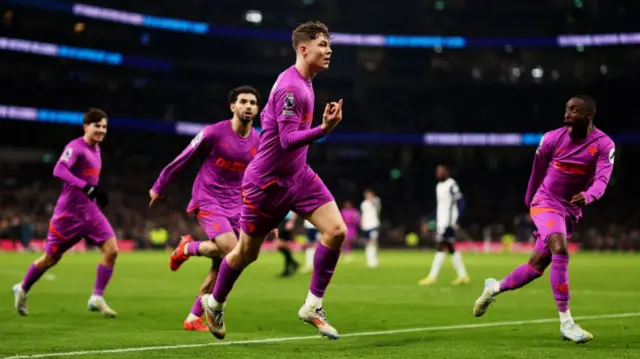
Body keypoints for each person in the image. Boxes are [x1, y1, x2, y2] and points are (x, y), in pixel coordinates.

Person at [200, 20, 346, 340]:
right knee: (245, 255)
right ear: (304, 49)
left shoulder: (307, 81)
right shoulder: (291, 88)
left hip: (298, 176)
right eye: (323, 44)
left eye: (329, 44)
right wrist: (323, 130)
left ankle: (312, 305)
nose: (329, 49)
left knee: (336, 231)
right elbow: (287, 139)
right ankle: (214, 302)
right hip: (266, 185)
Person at [473, 95, 614, 344]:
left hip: (569, 210)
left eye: (574, 110)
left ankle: (492, 288)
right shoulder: (551, 138)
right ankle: (567, 323)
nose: (567, 114)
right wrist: (530, 201)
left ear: (589, 115)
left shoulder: (604, 145)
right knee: (560, 249)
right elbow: (537, 170)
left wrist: (589, 196)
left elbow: (602, 180)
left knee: (535, 267)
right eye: (566, 109)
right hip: (545, 202)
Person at [149, 86, 261, 331]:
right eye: (243, 101)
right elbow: (184, 157)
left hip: (237, 205)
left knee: (226, 262)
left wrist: (266, 217)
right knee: (233, 251)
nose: (248, 106)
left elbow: (260, 180)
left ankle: (194, 316)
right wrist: (160, 185)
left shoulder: (259, 141)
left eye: (253, 102)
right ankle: (188, 248)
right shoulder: (213, 133)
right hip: (208, 198)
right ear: (232, 106)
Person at [13, 108, 118, 318]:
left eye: (104, 127)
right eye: (97, 126)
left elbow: (90, 181)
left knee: (112, 250)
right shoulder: (75, 147)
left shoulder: (97, 150)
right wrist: (86, 187)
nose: (101, 130)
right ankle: (23, 288)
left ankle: (97, 297)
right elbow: (59, 170)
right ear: (86, 126)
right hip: (68, 216)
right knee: (51, 259)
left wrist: (95, 194)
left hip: (90, 212)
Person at [419, 164, 469, 286]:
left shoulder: (451, 184)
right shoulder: (439, 186)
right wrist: (429, 218)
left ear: (447, 172)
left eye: (441, 171)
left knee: (441, 247)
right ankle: (463, 275)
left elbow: (461, 201)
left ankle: (432, 277)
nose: (438, 173)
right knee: (450, 248)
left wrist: (456, 218)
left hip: (448, 222)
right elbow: (440, 207)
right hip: (442, 221)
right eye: (437, 171)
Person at [360, 188, 381, 268]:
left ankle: (374, 261)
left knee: (373, 241)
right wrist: (361, 222)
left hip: (374, 225)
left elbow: (377, 206)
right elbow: (363, 214)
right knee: (368, 243)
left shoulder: (376, 200)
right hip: (366, 226)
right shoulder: (364, 203)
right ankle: (369, 260)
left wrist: (371, 199)